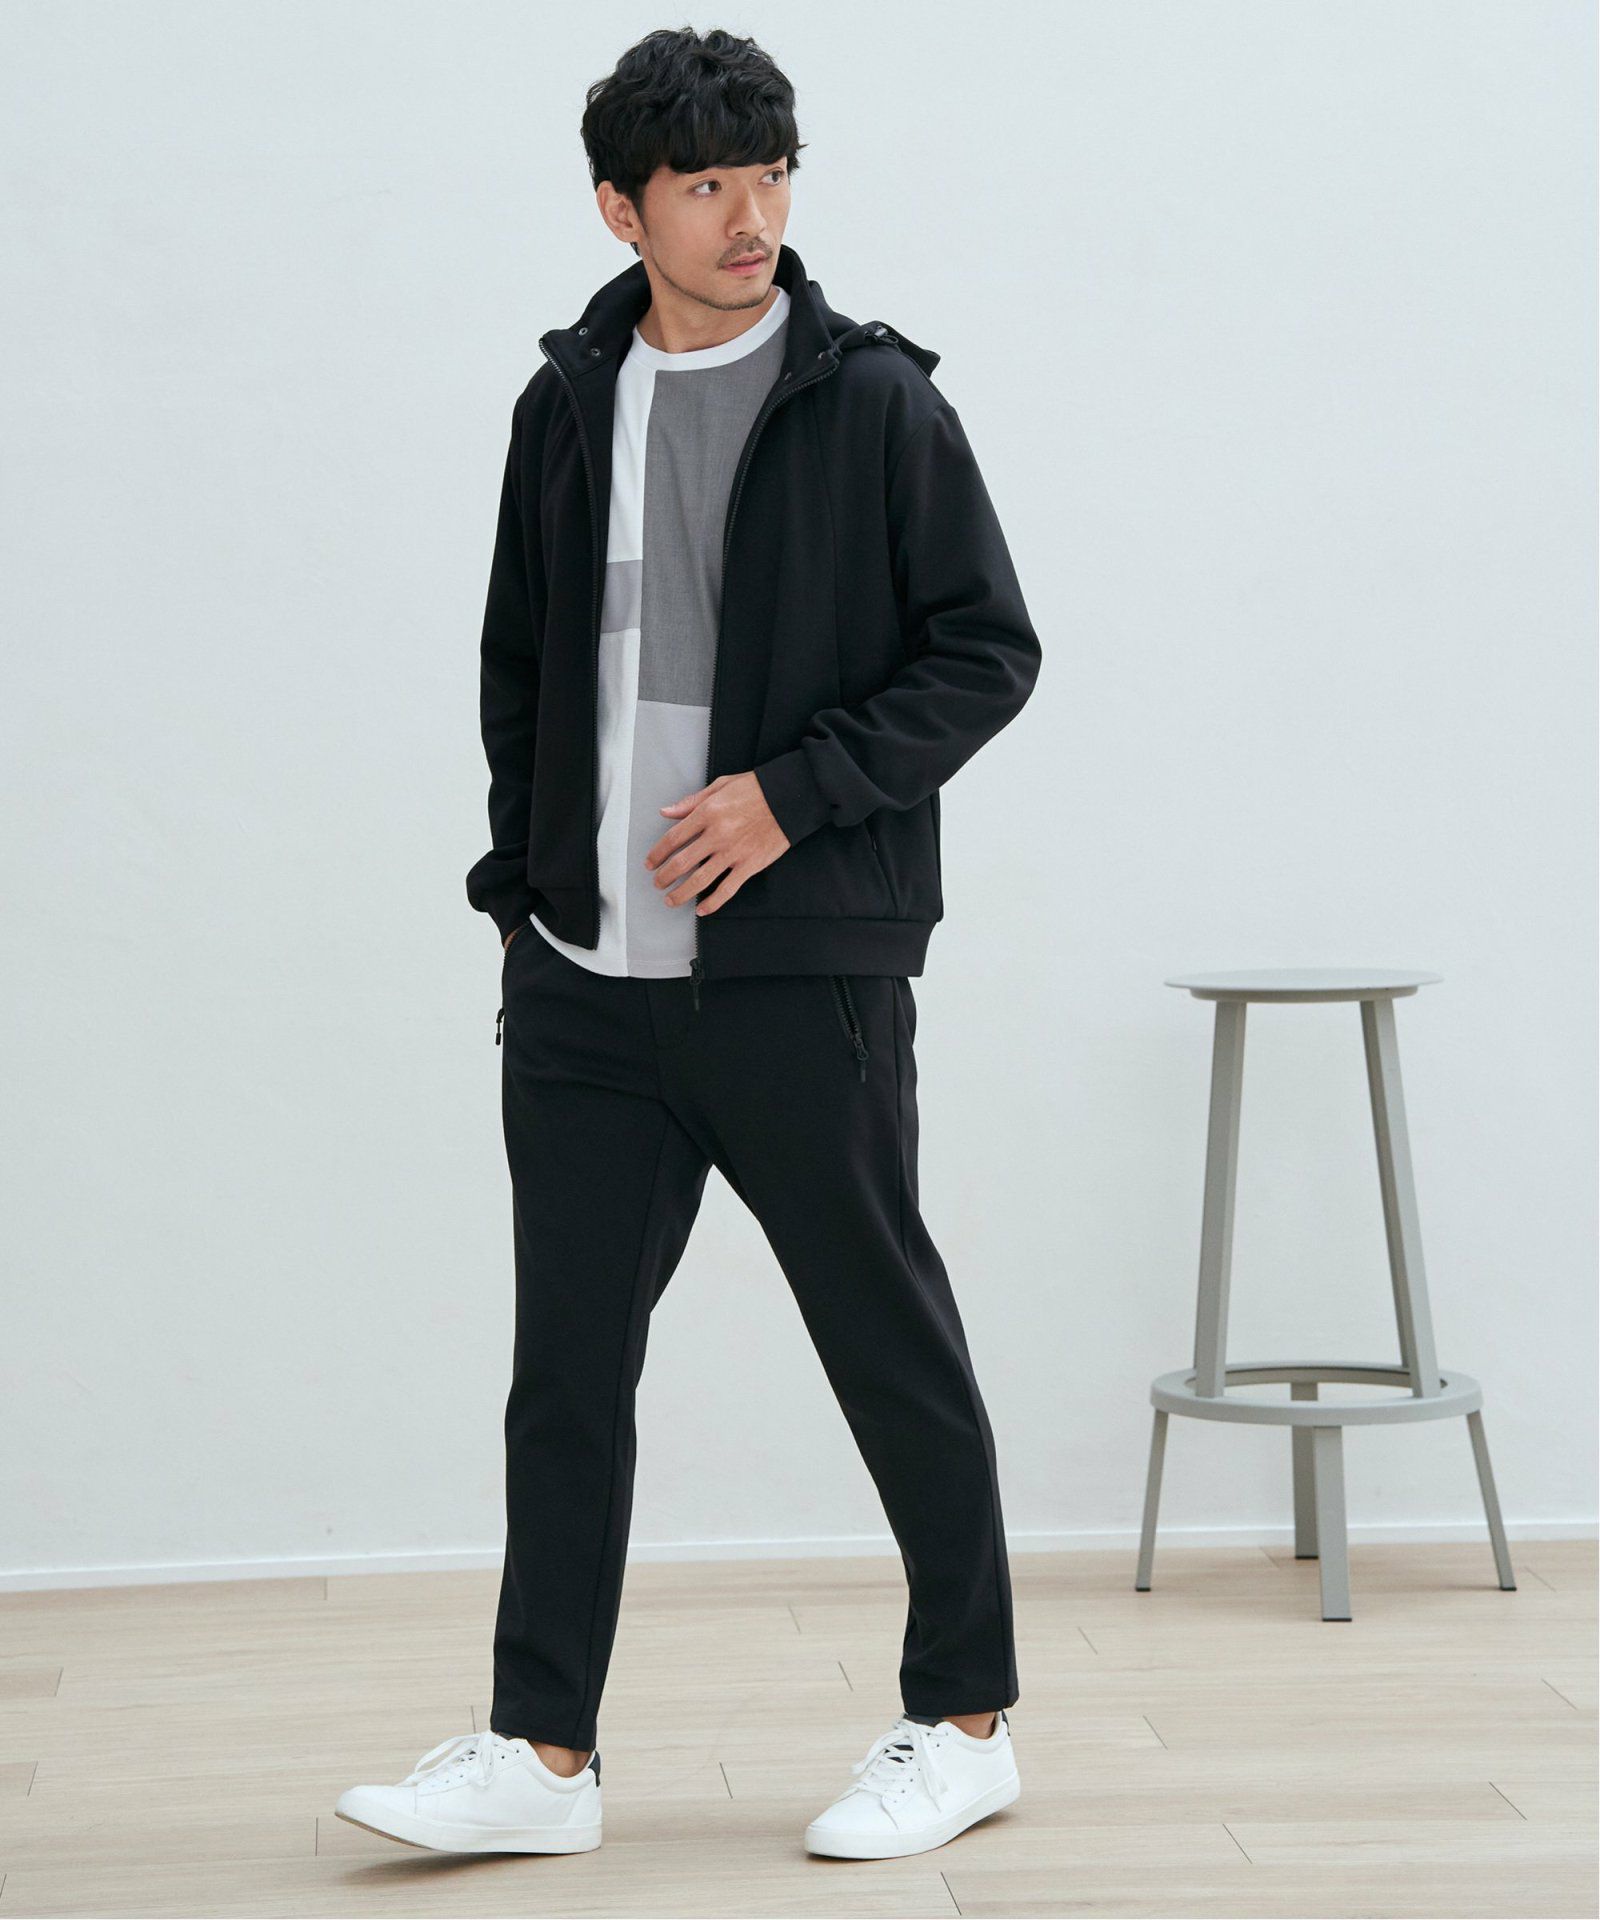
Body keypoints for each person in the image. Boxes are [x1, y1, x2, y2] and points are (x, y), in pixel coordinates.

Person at [336, 23, 1041, 1863]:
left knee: (887, 1340)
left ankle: (966, 1720)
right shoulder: (566, 403)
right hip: (586, 986)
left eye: (773, 175)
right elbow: (519, 662)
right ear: (621, 208)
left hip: (800, 977)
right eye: (709, 183)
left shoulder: (872, 401)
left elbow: (987, 651)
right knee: (565, 1376)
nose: (751, 217)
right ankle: (541, 1755)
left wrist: (793, 798)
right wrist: (527, 887)